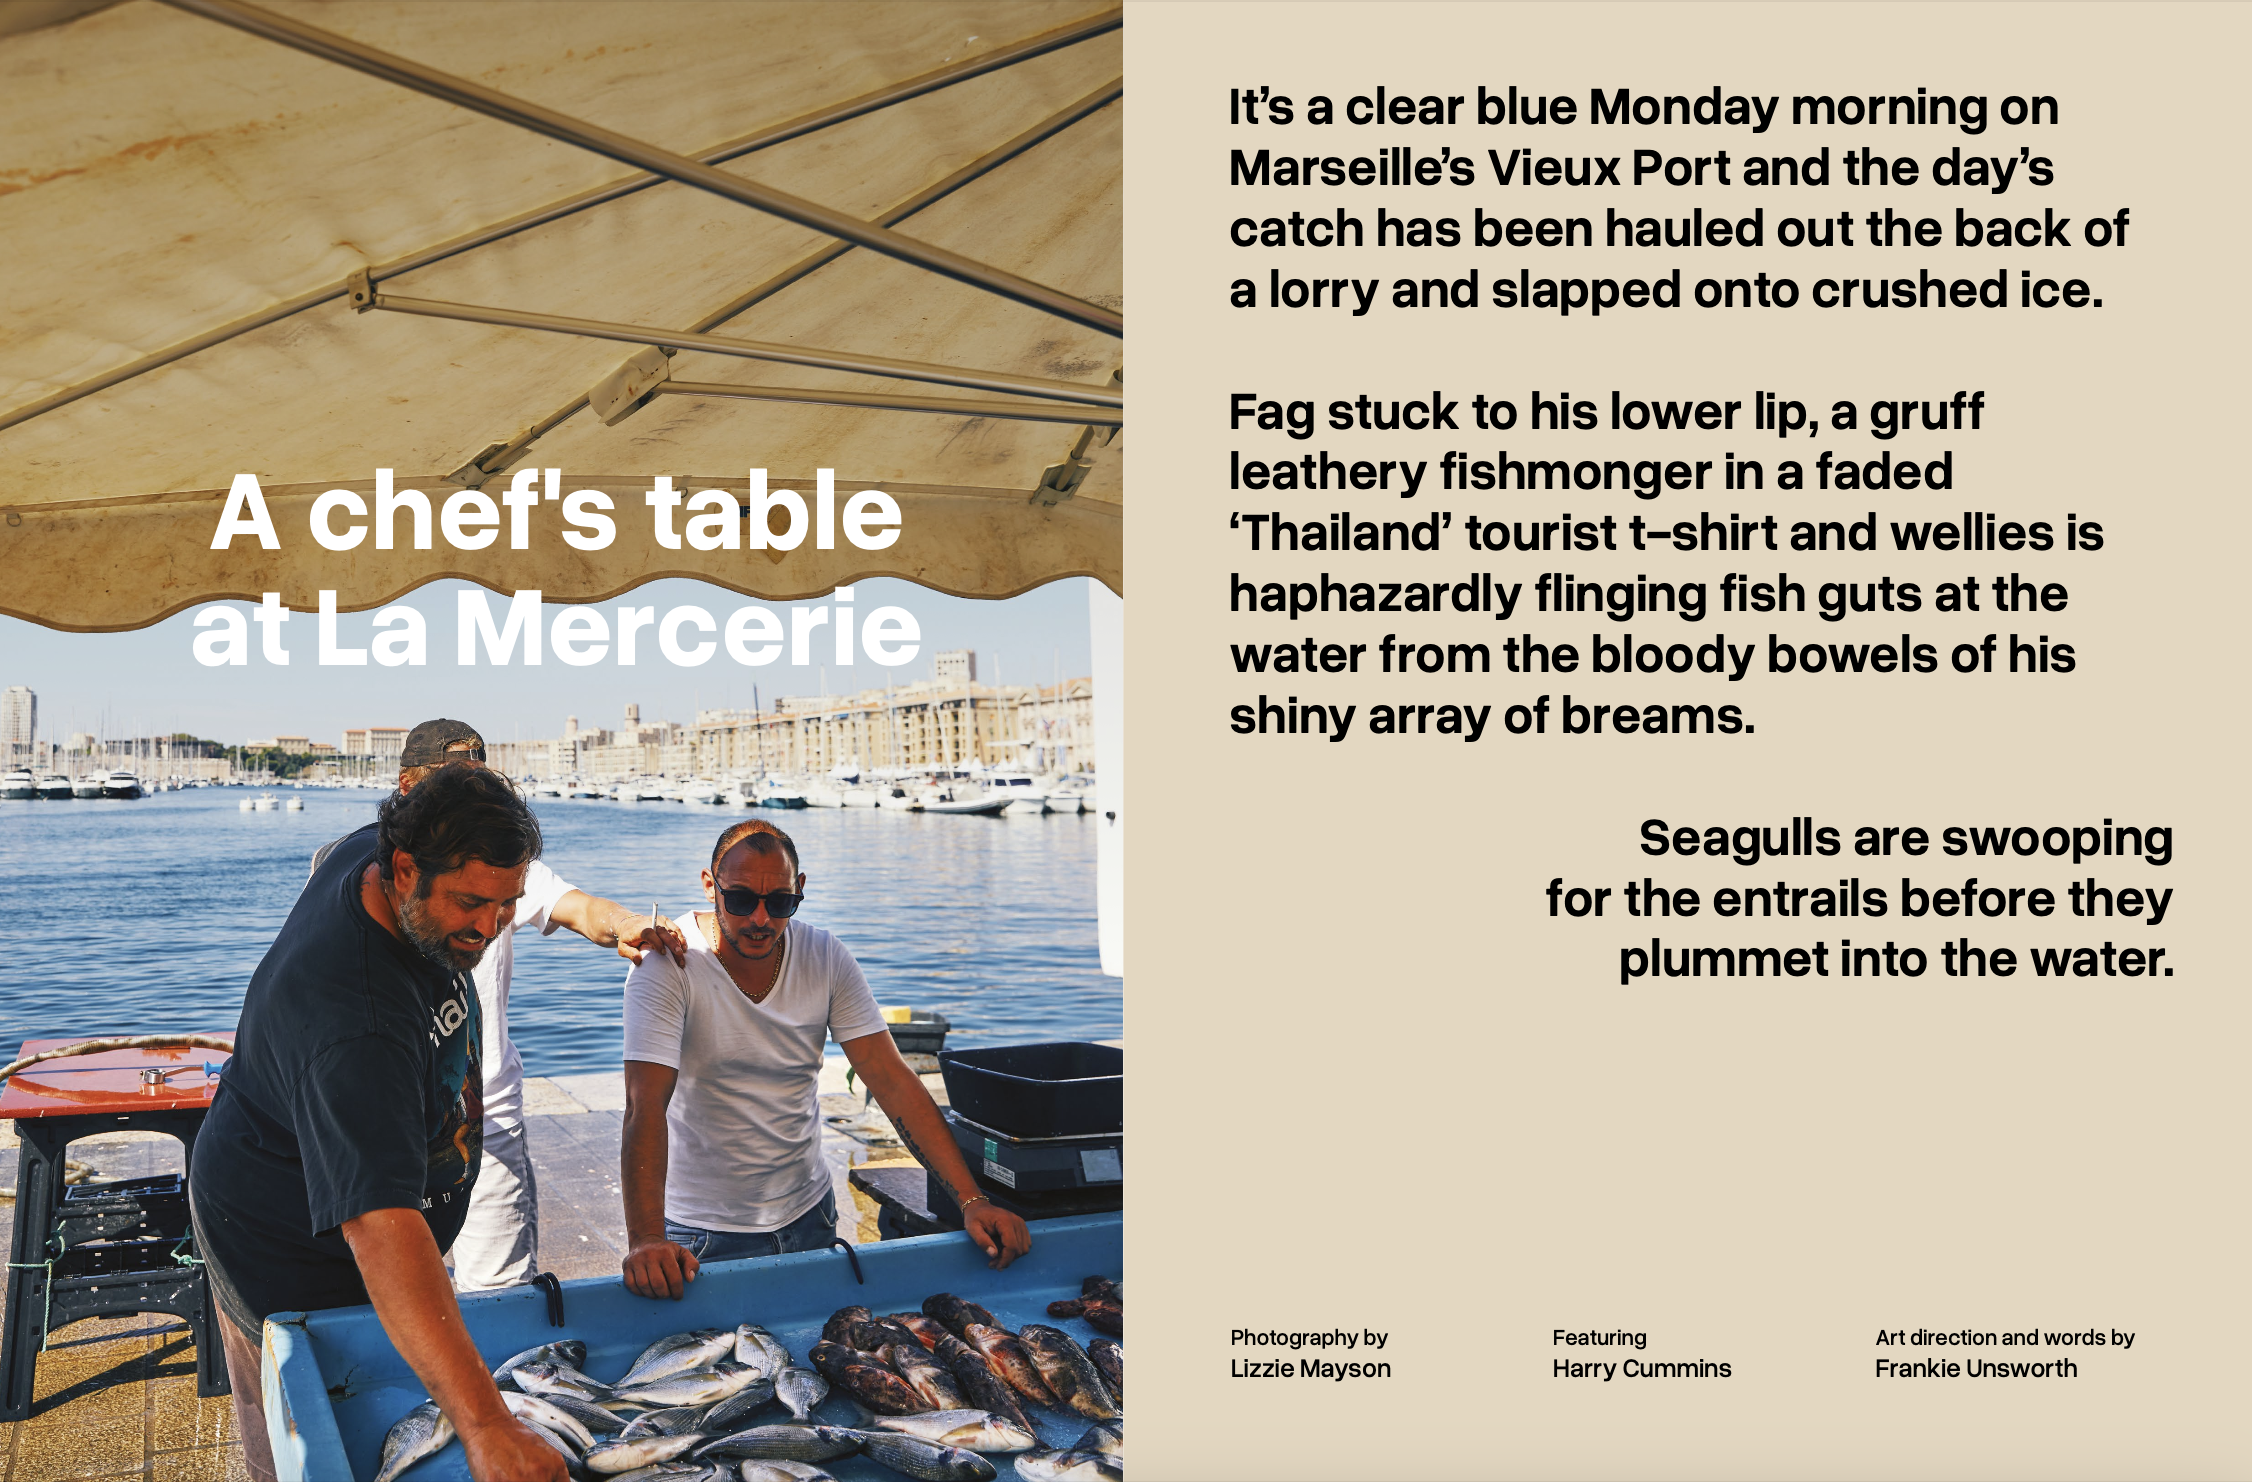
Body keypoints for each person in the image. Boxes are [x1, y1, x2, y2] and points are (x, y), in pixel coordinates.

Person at [189, 764, 566, 1482]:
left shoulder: (377, 844)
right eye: (468, 903)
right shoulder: (355, 1025)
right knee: (317, 1448)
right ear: (402, 870)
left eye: (507, 904)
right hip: (284, 1246)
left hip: (330, 1167)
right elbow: (382, 1226)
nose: (486, 929)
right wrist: (487, 1426)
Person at [313, 719, 683, 1292]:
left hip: (486, 1120)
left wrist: (627, 924)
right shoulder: (359, 871)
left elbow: (578, 907)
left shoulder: (505, 860)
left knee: (502, 1298)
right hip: (383, 1128)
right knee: (386, 1304)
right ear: (408, 787)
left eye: (480, 780)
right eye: (452, 783)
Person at [620, 819, 1032, 1298]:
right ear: (710, 885)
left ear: (799, 890)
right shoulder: (668, 966)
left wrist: (971, 1200)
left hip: (809, 1216)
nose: (759, 919)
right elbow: (644, 1106)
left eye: (779, 903)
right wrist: (647, 1238)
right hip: (701, 1233)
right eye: (740, 900)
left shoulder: (825, 956)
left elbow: (891, 1080)